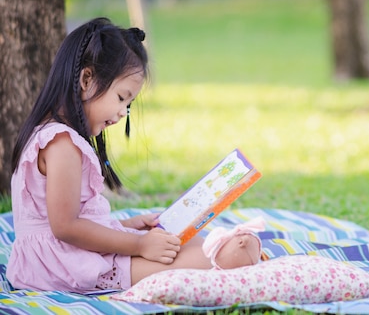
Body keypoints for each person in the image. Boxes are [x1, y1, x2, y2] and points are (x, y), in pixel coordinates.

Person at [6, 18, 259, 293]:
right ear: (86, 79)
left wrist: (126, 226)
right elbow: (65, 227)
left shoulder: (56, 136)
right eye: (121, 98)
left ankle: (230, 250)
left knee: (188, 243)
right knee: (222, 256)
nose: (123, 113)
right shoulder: (61, 144)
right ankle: (236, 253)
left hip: (67, 257)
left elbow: (70, 219)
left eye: (129, 103)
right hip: (62, 266)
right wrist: (139, 244)